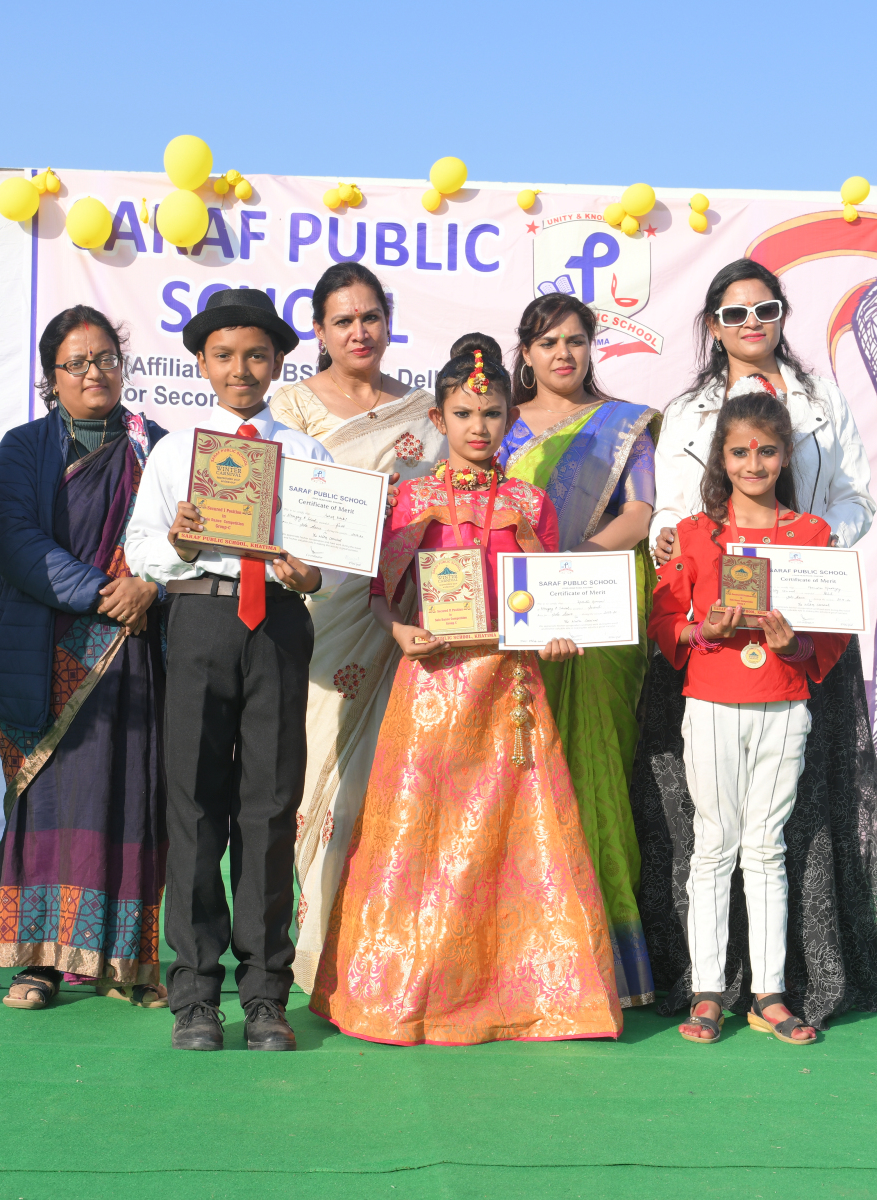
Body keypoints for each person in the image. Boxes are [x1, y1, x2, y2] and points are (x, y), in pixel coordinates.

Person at [311, 338, 621, 1045]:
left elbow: (548, 599)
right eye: (463, 413)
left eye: (491, 413)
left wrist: (557, 635)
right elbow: (380, 596)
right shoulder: (411, 499)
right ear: (439, 420)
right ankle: (403, 995)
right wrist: (398, 632)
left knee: (513, 843)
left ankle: (525, 998)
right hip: (430, 688)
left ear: (510, 417)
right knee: (420, 841)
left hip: (511, 689)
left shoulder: (529, 503)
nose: (478, 426)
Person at [635, 257, 877, 1031]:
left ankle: (784, 985)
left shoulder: (821, 399)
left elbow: (854, 498)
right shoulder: (688, 414)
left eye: (765, 309)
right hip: (715, 663)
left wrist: (811, 561)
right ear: (713, 325)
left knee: (785, 832)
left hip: (801, 639)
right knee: (713, 838)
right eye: (734, 313)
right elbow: (671, 516)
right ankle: (707, 984)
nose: (751, 324)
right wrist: (672, 550)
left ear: (783, 314)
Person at [125, 288, 335, 1052]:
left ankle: (267, 993)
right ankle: (194, 994)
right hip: (201, 618)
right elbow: (140, 549)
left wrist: (311, 574)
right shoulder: (175, 451)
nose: (240, 369)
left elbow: (334, 563)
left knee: (270, 807)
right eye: (224, 356)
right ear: (202, 364)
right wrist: (179, 545)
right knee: (192, 806)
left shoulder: (307, 454)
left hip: (277, 621)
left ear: (278, 363)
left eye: (255, 355)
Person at [0, 305, 167, 1011]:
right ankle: (38, 962)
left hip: (136, 652)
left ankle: (124, 962)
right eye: (77, 363)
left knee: (130, 797)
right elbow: (11, 537)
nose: (94, 373)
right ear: (50, 377)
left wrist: (151, 586)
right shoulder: (25, 448)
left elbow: (191, 534)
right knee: (48, 804)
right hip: (45, 648)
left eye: (106, 358)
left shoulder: (157, 448)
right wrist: (103, 592)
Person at [649, 391, 848, 1045]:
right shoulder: (695, 534)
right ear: (722, 457)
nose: (753, 464)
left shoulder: (811, 534)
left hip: (785, 702)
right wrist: (701, 632)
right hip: (710, 700)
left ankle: (769, 994)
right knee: (713, 844)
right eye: (740, 452)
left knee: (766, 847)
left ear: (785, 455)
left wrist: (798, 647)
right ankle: (708, 992)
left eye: (766, 451)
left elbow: (832, 631)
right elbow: (664, 619)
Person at [271, 262, 440, 992]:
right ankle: (313, 950)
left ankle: (382, 951)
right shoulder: (292, 407)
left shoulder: (427, 412)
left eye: (370, 317)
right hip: (322, 614)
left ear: (389, 321)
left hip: (406, 617)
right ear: (319, 330)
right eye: (342, 320)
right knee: (320, 774)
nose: (359, 332)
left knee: (392, 781)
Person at [500, 293, 659, 1008]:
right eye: (547, 342)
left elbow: (640, 511)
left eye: (574, 340)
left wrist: (572, 566)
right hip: (519, 620)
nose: (562, 353)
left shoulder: (624, 424)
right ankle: (523, 956)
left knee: (596, 771)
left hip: (594, 610)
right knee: (523, 772)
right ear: (526, 353)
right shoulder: (496, 424)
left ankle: (607, 964)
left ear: (592, 346)